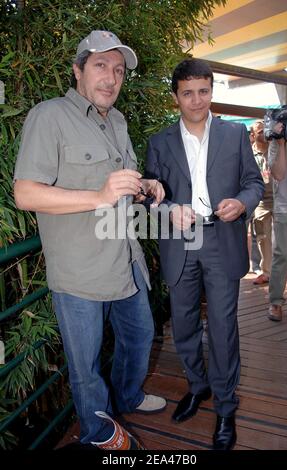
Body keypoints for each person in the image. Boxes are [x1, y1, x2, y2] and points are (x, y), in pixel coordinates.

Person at [14, 30, 166, 450]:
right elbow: (25, 193)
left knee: (139, 337)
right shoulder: (49, 116)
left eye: (118, 70)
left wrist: (146, 187)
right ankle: (99, 433)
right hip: (80, 270)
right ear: (78, 69)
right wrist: (99, 195)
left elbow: (119, 186)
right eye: (101, 66)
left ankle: (129, 398)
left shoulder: (116, 121)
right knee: (85, 367)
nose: (111, 78)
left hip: (125, 258)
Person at [145, 58, 264, 450]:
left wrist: (242, 203)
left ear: (211, 91)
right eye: (187, 93)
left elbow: (253, 182)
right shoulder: (159, 142)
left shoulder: (234, 135)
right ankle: (198, 387)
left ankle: (226, 406)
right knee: (182, 325)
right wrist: (166, 211)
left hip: (221, 238)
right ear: (175, 96)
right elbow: (149, 199)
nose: (196, 101)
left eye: (203, 91)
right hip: (180, 244)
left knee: (224, 328)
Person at [268, 98, 287, 321]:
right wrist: (280, 142)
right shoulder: (278, 139)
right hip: (286, 204)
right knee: (282, 255)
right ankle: (275, 302)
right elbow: (278, 174)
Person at [251, 120, 272, 285]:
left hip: (281, 198)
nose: (263, 133)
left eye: (265, 129)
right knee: (262, 237)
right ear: (253, 135)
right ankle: (266, 272)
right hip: (260, 201)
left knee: (281, 238)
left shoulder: (277, 147)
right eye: (259, 131)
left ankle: (279, 269)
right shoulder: (249, 154)